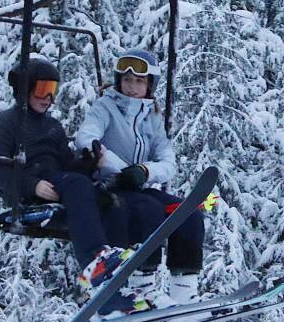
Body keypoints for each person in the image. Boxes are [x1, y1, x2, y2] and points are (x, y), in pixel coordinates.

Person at [0, 56, 151, 314]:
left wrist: (89, 162)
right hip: (30, 191)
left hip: (61, 182)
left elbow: (66, 164)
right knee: (77, 184)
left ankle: (113, 288)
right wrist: (32, 185)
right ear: (23, 88)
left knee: (112, 201)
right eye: (41, 90)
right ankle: (94, 261)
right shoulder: (8, 123)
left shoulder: (52, 125)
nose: (47, 98)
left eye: (52, 91)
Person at [75, 49, 205, 306]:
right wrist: (118, 167)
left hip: (138, 186)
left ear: (149, 85)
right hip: (108, 188)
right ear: (119, 81)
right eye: (127, 80)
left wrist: (144, 171)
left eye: (139, 81)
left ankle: (184, 289)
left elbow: (167, 161)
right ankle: (142, 285)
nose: (132, 87)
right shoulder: (106, 107)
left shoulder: (151, 116)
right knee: (148, 209)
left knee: (188, 213)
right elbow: (86, 137)